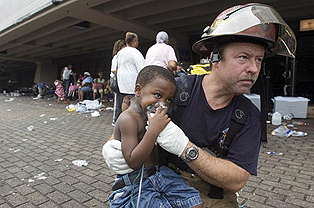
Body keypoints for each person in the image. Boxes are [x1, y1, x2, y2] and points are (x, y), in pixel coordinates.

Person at [102, 3, 296, 207]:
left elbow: (237, 179)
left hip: (213, 194)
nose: (253, 69)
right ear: (215, 58)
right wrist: (111, 144)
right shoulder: (173, 91)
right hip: (158, 183)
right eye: (243, 57)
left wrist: (185, 148)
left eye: (259, 59)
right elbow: (132, 117)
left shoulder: (248, 115)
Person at [106, 65, 202, 208]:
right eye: (157, 95)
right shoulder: (129, 119)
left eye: (168, 99)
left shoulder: (150, 115)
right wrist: (154, 130)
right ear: (138, 90)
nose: (162, 104)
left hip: (159, 174)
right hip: (136, 183)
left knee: (194, 201)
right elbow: (133, 161)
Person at [115, 32, 145, 125]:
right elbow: (142, 68)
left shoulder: (120, 53)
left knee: (125, 100)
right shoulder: (135, 52)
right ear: (135, 41)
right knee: (134, 101)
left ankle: (124, 119)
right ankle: (133, 121)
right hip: (132, 80)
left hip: (122, 80)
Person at [110, 39, 126, 126]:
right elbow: (113, 70)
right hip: (117, 82)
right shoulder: (116, 57)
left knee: (123, 101)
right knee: (118, 101)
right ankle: (115, 120)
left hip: (122, 82)